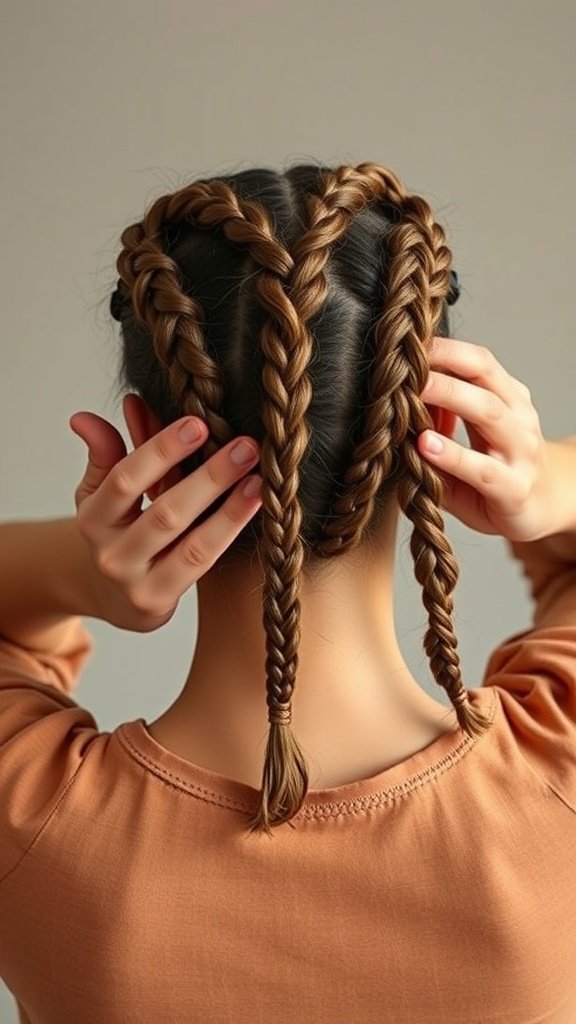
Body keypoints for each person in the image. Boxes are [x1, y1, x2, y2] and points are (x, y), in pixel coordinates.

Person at [0, 161, 575, 1023]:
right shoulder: (555, 784)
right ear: (440, 425)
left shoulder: (34, 824)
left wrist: (95, 573)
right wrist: (548, 486)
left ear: (148, 440)